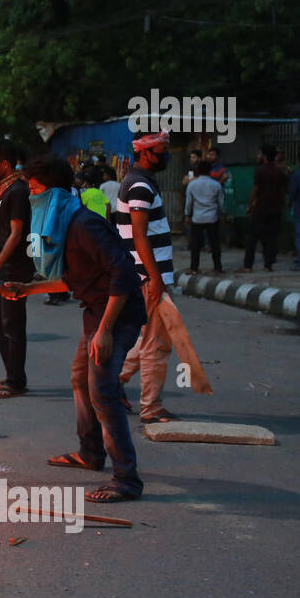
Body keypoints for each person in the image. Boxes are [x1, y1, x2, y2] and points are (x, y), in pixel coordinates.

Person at [2, 153, 148, 503]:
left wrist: (106, 331)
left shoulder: (84, 224)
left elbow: (124, 275)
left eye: (35, 189)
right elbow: (73, 278)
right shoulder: (64, 224)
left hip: (117, 316)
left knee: (103, 393)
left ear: (52, 192)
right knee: (80, 379)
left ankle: (126, 479)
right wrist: (28, 289)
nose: (31, 197)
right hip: (95, 314)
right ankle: (90, 452)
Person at [113, 131, 177, 424]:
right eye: (161, 151)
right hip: (148, 276)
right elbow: (140, 235)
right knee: (157, 343)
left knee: (148, 339)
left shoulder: (140, 181)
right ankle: (151, 407)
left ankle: (111, 380)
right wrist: (155, 277)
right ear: (145, 152)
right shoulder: (139, 185)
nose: (166, 156)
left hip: (145, 275)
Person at [0, 142, 31, 399]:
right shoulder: (5, 190)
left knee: (12, 324)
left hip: (14, 267)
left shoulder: (18, 191)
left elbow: (16, 235)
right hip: (4, 267)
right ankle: (12, 375)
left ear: (6, 164)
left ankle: (16, 381)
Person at [239, 143, 285, 273]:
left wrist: (250, 205)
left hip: (261, 208)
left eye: (259, 154)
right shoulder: (280, 170)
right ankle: (268, 265)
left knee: (252, 238)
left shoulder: (260, 170)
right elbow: (283, 190)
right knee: (271, 238)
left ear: (264, 156)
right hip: (275, 208)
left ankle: (248, 266)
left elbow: (255, 189)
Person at [184, 159, 225, 275]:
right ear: (210, 171)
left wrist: (187, 215)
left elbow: (189, 203)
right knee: (215, 243)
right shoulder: (216, 185)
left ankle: (194, 268)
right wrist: (222, 214)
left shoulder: (192, 185)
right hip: (213, 217)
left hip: (197, 218)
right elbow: (221, 203)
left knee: (195, 244)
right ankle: (218, 267)